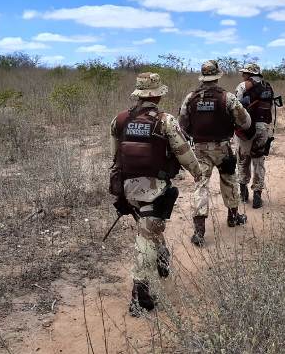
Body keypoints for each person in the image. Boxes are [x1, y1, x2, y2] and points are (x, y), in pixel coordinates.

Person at [109, 72, 202, 317]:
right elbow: (183, 151)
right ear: (158, 94)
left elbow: (116, 157)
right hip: (155, 189)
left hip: (128, 189)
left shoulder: (119, 120)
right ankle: (139, 296)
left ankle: (162, 259)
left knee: (149, 228)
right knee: (146, 238)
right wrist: (197, 172)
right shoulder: (166, 121)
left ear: (138, 94)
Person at [179, 60, 251, 246]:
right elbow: (245, 122)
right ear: (217, 76)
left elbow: (182, 124)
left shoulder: (190, 98)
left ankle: (199, 232)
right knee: (229, 180)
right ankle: (233, 217)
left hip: (200, 149)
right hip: (223, 147)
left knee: (200, 185)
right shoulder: (227, 98)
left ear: (203, 77)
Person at [235, 63, 275, 209]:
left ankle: (243, 191)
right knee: (258, 160)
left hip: (246, 128)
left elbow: (235, 106)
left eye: (244, 73)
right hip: (263, 127)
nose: (242, 75)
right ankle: (257, 193)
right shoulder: (268, 86)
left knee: (243, 159)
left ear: (249, 74)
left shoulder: (242, 86)